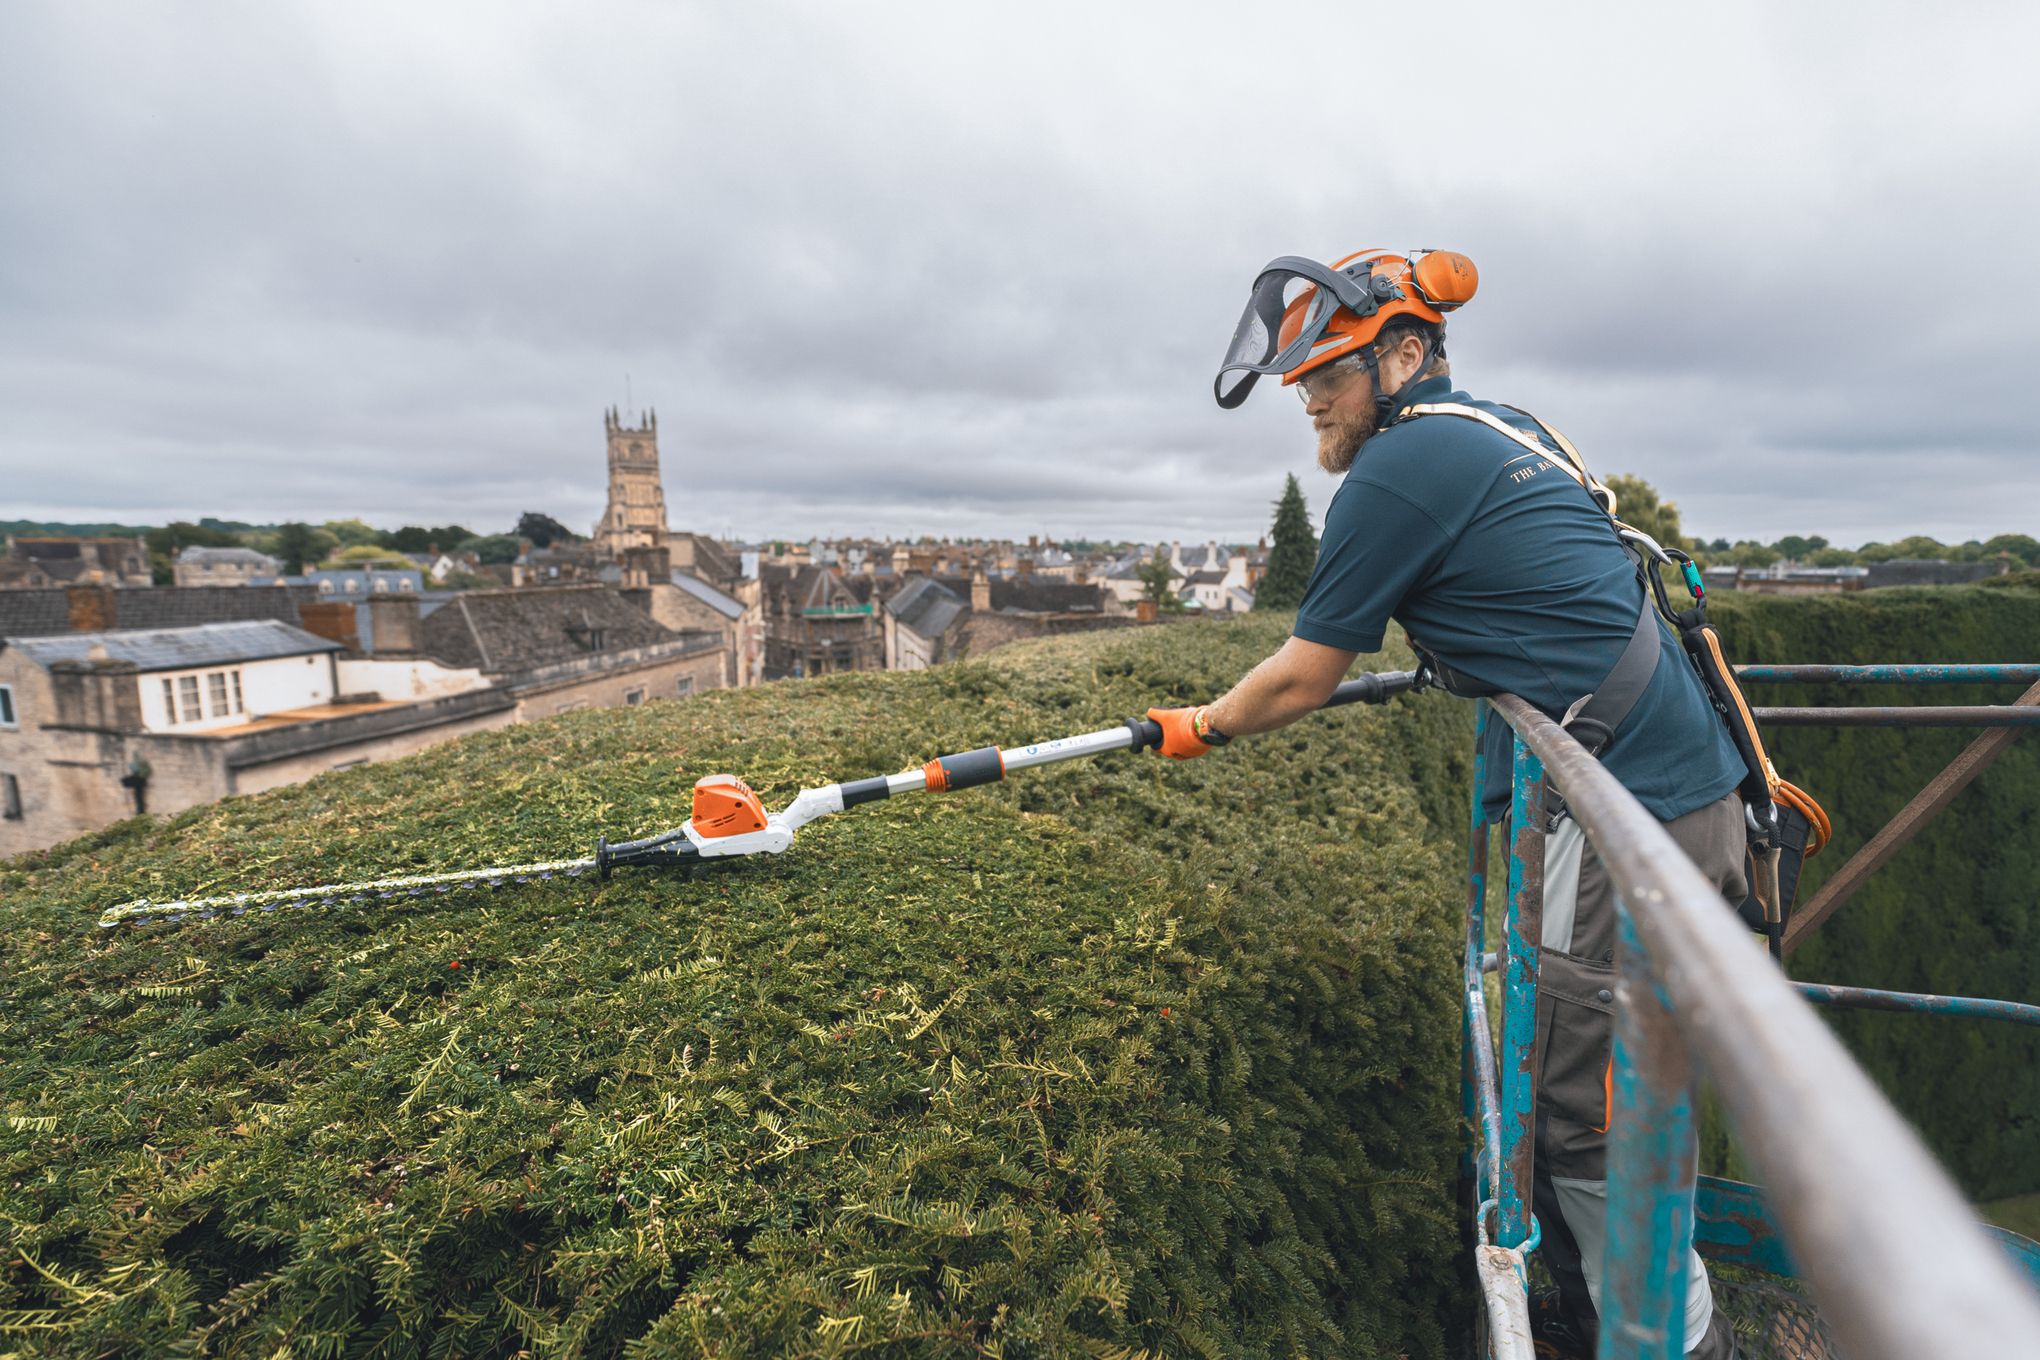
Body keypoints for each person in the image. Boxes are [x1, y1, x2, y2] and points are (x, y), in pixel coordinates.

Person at [1156, 250, 1749, 1358]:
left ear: (1405, 354)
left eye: (1327, 376)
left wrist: (1204, 722)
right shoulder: (1494, 428)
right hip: (1676, 790)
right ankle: (1588, 1316)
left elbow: (1302, 673)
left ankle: (1676, 1341)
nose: (1311, 401)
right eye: (1302, 383)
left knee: (1586, 1112)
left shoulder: (1398, 466)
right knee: (1605, 1078)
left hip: (1621, 811)